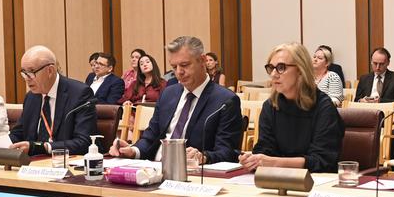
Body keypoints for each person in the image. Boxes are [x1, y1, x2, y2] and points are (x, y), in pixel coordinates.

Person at [110, 36, 242, 164]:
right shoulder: (168, 93)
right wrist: (133, 150)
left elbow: (227, 152)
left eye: (184, 65)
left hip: (191, 173)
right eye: (174, 67)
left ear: (202, 60)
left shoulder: (225, 100)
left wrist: (204, 157)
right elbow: (150, 138)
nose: (179, 72)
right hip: (153, 167)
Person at [239, 43, 344, 173]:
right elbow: (264, 149)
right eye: (271, 68)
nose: (273, 74)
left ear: (301, 70)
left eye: (281, 67)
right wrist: (253, 160)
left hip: (316, 183)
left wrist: (273, 162)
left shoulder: (324, 107)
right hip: (276, 179)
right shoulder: (270, 106)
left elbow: (321, 161)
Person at [8, 46, 96, 156]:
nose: (27, 78)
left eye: (31, 72)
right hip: (33, 164)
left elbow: (84, 142)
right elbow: (19, 133)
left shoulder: (79, 93)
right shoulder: (31, 97)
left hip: (64, 162)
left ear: (50, 70)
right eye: (24, 72)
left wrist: (42, 148)